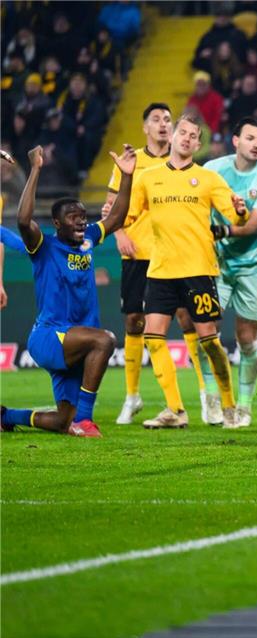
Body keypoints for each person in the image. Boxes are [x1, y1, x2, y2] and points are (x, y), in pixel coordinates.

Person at [1, 143, 137, 437]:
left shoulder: (88, 239)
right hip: (51, 336)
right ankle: (85, 420)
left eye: (82, 215)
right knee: (105, 341)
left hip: (76, 338)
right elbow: (24, 220)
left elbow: (117, 217)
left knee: (62, 421)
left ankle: (7, 416)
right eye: (74, 217)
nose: (82, 220)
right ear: (57, 224)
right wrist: (35, 168)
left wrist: (127, 176)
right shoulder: (44, 246)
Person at [128, 113, 248, 429]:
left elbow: (236, 219)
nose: (186, 138)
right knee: (152, 338)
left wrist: (240, 210)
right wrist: (125, 181)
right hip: (160, 270)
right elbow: (128, 215)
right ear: (174, 136)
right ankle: (175, 410)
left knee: (209, 342)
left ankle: (229, 406)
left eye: (193, 135)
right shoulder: (148, 178)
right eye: (182, 132)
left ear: (197, 143)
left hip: (198, 271)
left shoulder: (208, 179)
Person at [106, 103, 214, 425]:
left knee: (188, 321)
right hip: (138, 254)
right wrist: (120, 233)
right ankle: (132, 396)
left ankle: (204, 395)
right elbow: (112, 206)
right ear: (145, 128)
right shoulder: (132, 163)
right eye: (156, 119)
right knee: (135, 322)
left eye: (168, 119)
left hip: (176, 255)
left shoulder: (185, 165)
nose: (164, 124)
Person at [198, 116, 257, 427]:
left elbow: (252, 226)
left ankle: (245, 406)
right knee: (206, 332)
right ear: (236, 141)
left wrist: (219, 232)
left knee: (246, 339)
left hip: (252, 267)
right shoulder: (212, 171)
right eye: (250, 138)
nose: (256, 144)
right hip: (215, 265)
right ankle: (211, 397)